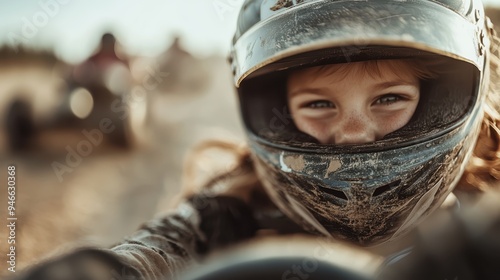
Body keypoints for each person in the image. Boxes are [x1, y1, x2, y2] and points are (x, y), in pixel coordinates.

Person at [14, 0, 500, 279]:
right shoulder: (228, 214)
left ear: (448, 96)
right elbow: (158, 249)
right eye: (318, 105)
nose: (354, 136)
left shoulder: (487, 215)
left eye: (390, 98)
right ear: (274, 114)